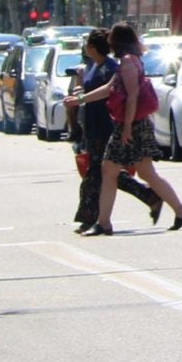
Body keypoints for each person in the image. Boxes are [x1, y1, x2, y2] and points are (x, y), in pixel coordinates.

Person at [91, 24, 182, 235]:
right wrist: (80, 99)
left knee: (110, 170)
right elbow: (109, 89)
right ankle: (180, 210)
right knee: (144, 172)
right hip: (135, 122)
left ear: (117, 41)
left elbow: (133, 96)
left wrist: (126, 127)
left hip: (132, 124)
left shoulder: (127, 62)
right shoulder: (129, 61)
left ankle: (104, 223)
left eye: (111, 39)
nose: (108, 42)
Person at [65, 31, 159, 234]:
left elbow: (119, 95)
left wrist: (125, 125)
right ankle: (147, 197)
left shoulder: (111, 68)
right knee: (106, 171)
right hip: (93, 125)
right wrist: (79, 97)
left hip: (106, 125)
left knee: (99, 173)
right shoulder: (93, 67)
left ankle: (94, 219)